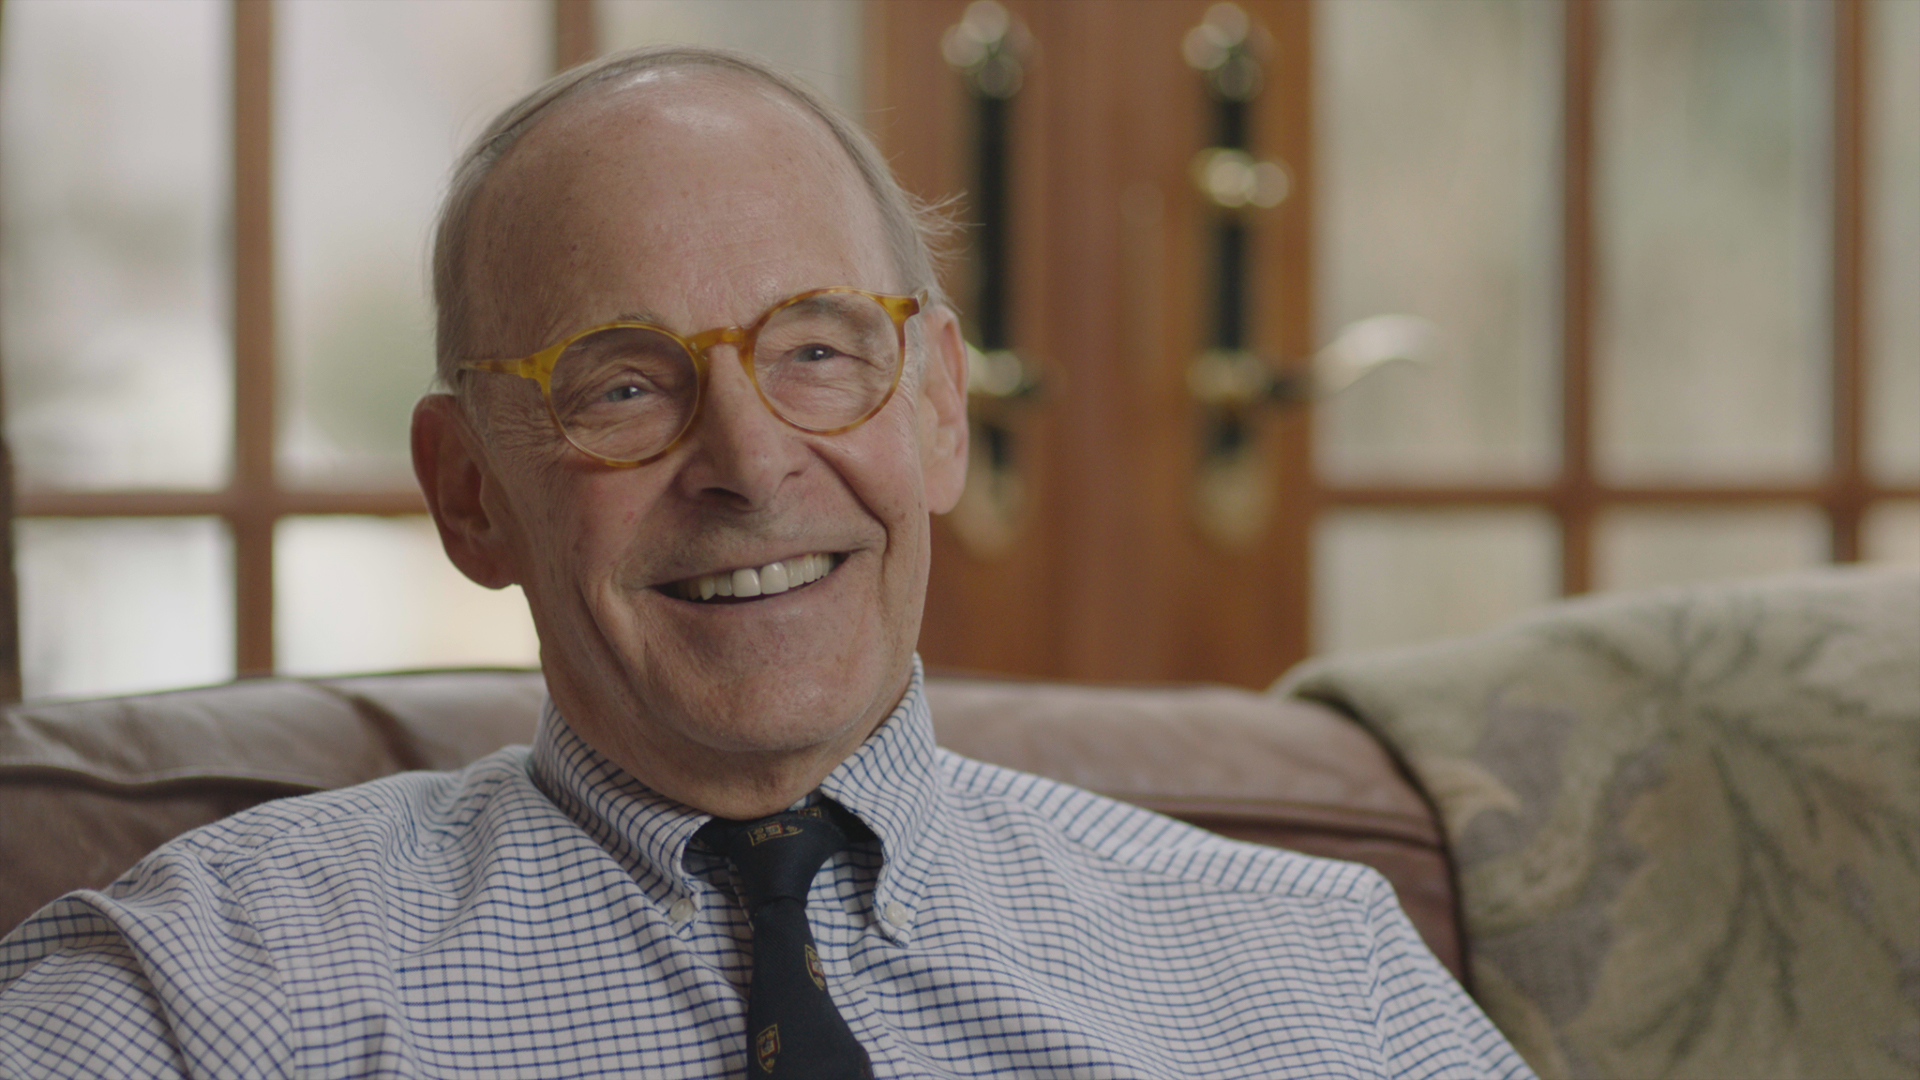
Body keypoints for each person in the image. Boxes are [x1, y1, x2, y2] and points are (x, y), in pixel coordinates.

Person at [0, 46, 1532, 1079]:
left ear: (938, 407)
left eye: (818, 351)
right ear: (470, 496)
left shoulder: (1313, 983)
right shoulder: (201, 1000)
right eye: (621, 384)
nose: (746, 462)